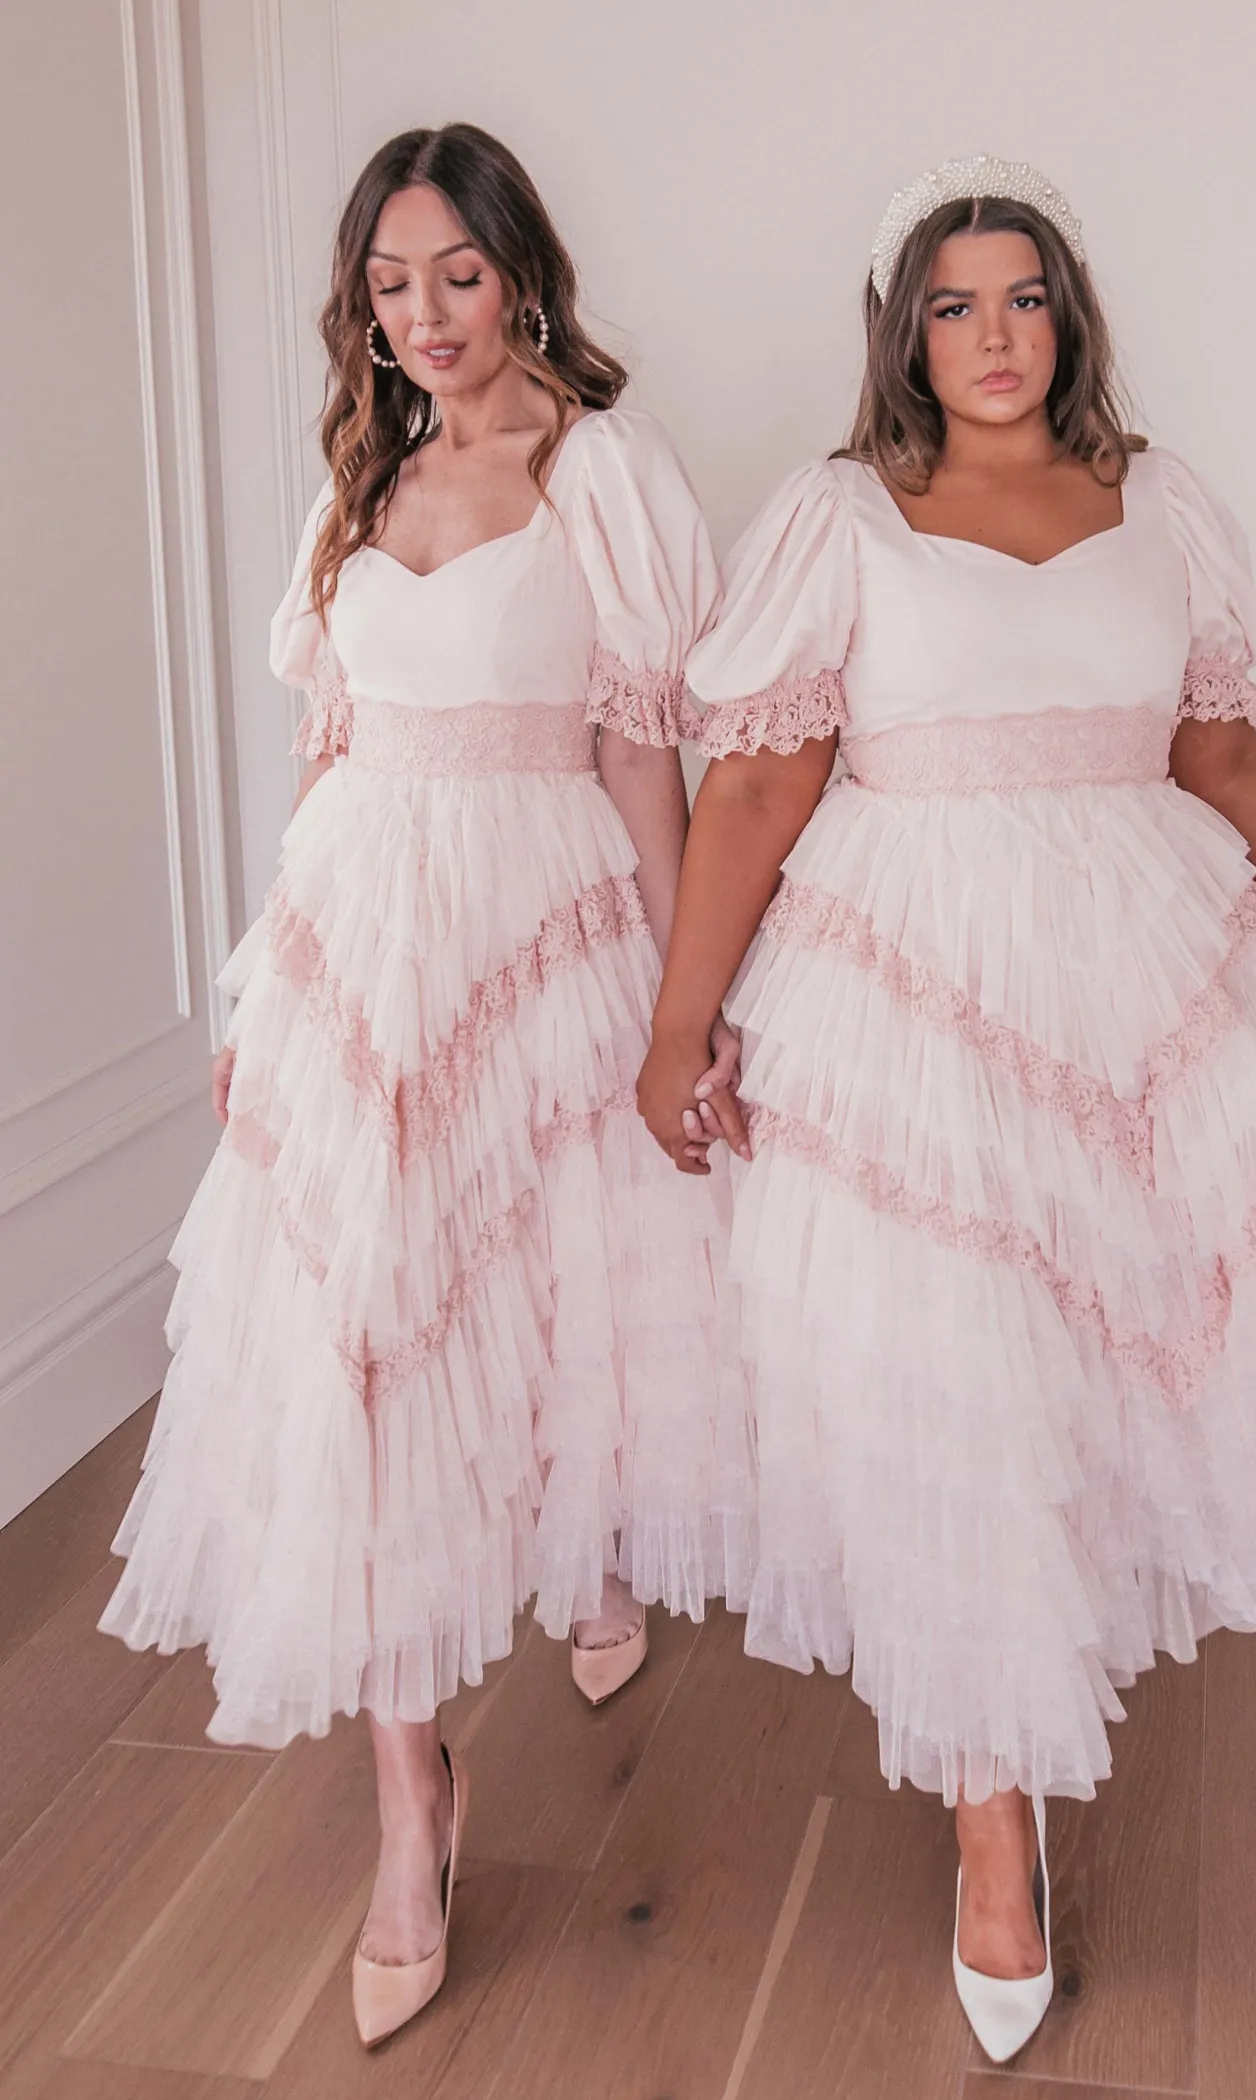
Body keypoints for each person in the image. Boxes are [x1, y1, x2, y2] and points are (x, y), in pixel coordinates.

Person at [637, 155, 1256, 2063]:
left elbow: (1221, 757)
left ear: (1070, 317)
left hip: (1141, 969)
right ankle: (993, 1834)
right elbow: (759, 790)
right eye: (954, 305)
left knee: (1122, 1364)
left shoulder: (1156, 506)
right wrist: (679, 1021)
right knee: (960, 1382)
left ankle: (1042, 1692)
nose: (995, 335)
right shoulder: (843, 518)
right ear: (905, 336)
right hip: (913, 990)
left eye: (1023, 297)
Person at [101, 122, 749, 2046]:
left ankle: (594, 1554)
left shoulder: (603, 472)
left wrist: (685, 1004)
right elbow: (332, 755)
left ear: (520, 269)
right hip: (359, 941)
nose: (425, 316)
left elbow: (639, 757)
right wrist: (265, 991)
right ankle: (413, 1804)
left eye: (456, 274)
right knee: (367, 1344)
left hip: (539, 924)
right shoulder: (356, 473)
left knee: (553, 1290)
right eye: (390, 286)